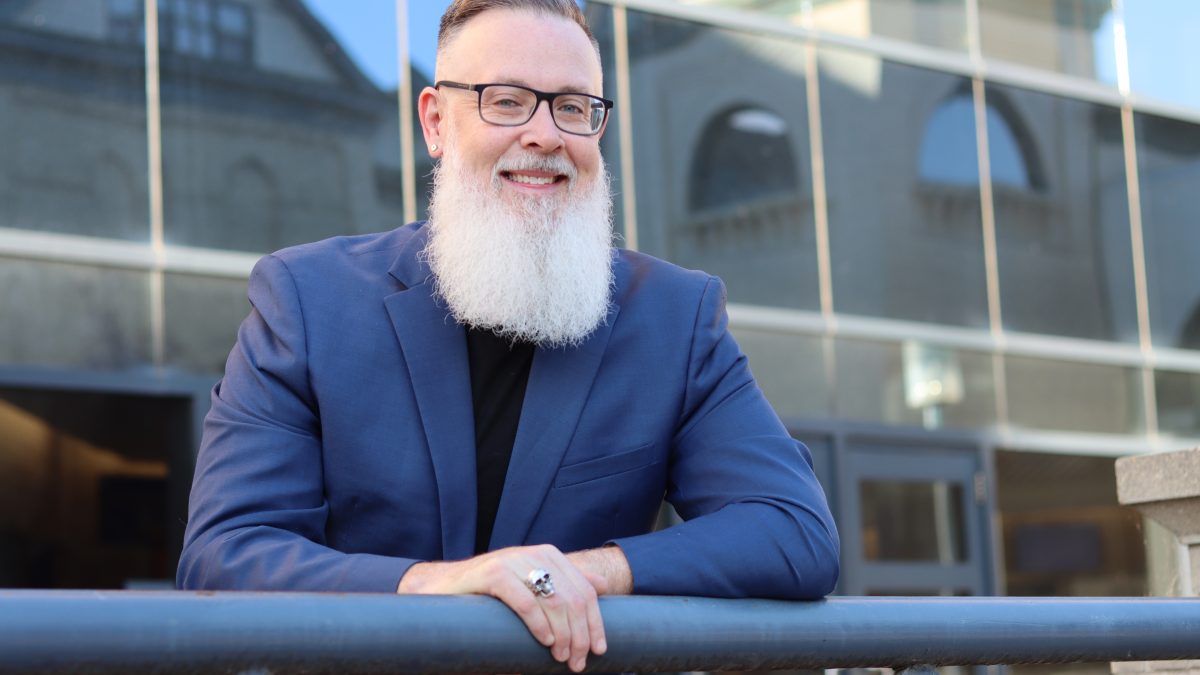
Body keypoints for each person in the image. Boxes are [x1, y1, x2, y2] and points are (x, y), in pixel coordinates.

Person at [177, 0, 839, 672]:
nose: (547, 134)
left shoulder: (674, 315)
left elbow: (793, 530)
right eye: (508, 101)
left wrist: (580, 573)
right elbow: (225, 551)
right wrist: (436, 582)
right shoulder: (307, 300)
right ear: (436, 122)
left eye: (574, 107)